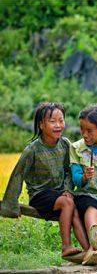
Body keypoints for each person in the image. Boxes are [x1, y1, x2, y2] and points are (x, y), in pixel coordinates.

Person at [1, 102, 89, 257]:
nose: (58, 125)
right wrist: (10, 204)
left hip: (60, 194)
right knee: (68, 202)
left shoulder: (65, 144)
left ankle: (90, 250)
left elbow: (69, 171)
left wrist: (68, 189)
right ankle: (66, 247)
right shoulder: (33, 149)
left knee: (73, 207)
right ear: (41, 124)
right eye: (52, 121)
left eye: (61, 120)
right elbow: (18, 174)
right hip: (40, 195)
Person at [70, 104, 97, 264]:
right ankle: (94, 247)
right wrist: (83, 178)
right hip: (85, 195)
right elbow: (75, 177)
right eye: (82, 129)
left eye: (90, 131)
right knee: (91, 209)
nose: (84, 134)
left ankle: (93, 251)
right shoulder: (76, 148)